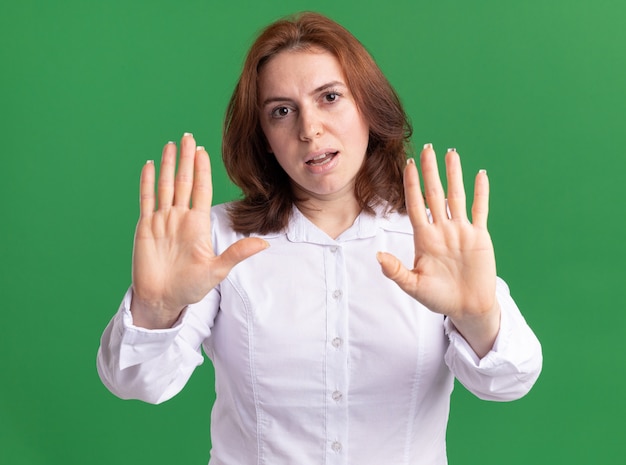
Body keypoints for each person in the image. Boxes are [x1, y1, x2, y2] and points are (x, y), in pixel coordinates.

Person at [97, 11, 542, 465]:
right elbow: (137, 382)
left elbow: (509, 381)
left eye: (329, 97)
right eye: (282, 111)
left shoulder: (432, 238)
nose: (308, 129)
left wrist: (479, 315)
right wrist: (154, 311)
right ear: (266, 137)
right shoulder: (216, 238)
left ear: (368, 106)